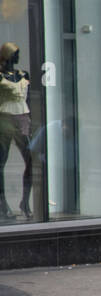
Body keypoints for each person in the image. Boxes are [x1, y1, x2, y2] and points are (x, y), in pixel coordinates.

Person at [0, 42, 33, 221]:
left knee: (30, 160)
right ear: (8, 55)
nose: (18, 57)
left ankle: (25, 202)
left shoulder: (23, 75)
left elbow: (31, 98)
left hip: (22, 118)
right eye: (15, 54)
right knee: (1, 162)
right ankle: (3, 203)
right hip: (4, 118)